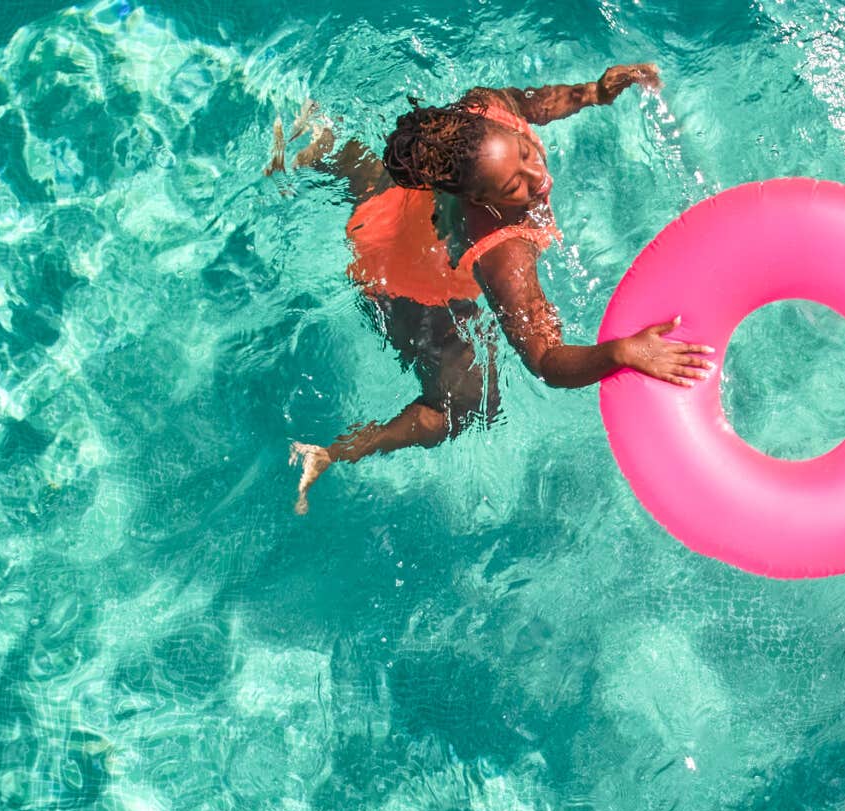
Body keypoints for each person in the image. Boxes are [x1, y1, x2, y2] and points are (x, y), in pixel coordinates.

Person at [269, 69, 712, 512]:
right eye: (513, 186)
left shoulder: (486, 114)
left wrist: (592, 93)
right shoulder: (503, 252)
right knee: (465, 409)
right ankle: (331, 453)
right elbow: (545, 361)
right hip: (400, 284)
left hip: (393, 209)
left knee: (370, 186)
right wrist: (621, 352)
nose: (537, 175)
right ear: (480, 201)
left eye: (524, 154)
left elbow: (530, 103)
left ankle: (303, 134)